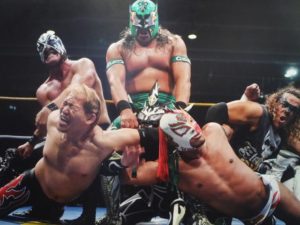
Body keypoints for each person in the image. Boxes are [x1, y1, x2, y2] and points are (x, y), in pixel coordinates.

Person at [0, 84, 156, 221]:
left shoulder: (105, 142)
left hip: (69, 201)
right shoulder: (53, 119)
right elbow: (41, 127)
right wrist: (31, 142)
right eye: (65, 103)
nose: (64, 110)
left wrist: (128, 166)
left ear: (90, 117)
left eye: (71, 106)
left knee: (110, 164)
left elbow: (155, 136)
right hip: (33, 184)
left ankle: (106, 217)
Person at [0, 30, 111, 222]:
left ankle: (88, 215)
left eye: (52, 47)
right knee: (23, 155)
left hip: (99, 132)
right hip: (66, 138)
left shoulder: (83, 65)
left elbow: (79, 89)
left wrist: (51, 107)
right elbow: (50, 123)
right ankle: (45, 207)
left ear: (62, 47)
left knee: (88, 155)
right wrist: (31, 142)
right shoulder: (44, 90)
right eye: (43, 50)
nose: (48, 51)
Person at [98, 0, 192, 223]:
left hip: (169, 107)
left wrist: (179, 110)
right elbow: (115, 82)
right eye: (138, 29)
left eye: (147, 28)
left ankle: (194, 210)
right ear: (131, 22)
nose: (142, 33)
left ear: (156, 21)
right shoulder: (117, 48)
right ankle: (113, 216)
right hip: (133, 109)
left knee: (197, 150)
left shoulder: (174, 43)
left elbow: (183, 78)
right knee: (102, 151)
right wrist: (124, 110)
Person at [123, 109, 300, 225]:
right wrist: (129, 163)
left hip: (270, 189)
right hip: (251, 217)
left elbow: (234, 126)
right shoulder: (173, 168)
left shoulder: (214, 131)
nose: (192, 129)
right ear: (172, 142)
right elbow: (130, 177)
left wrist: (246, 97)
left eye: (189, 122)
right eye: (182, 129)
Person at [205, 86, 300, 174]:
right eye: (284, 104)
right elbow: (216, 111)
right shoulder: (259, 113)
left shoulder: (282, 133)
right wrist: (221, 137)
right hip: (224, 171)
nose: (287, 111)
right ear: (275, 102)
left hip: (246, 179)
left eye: (293, 109)